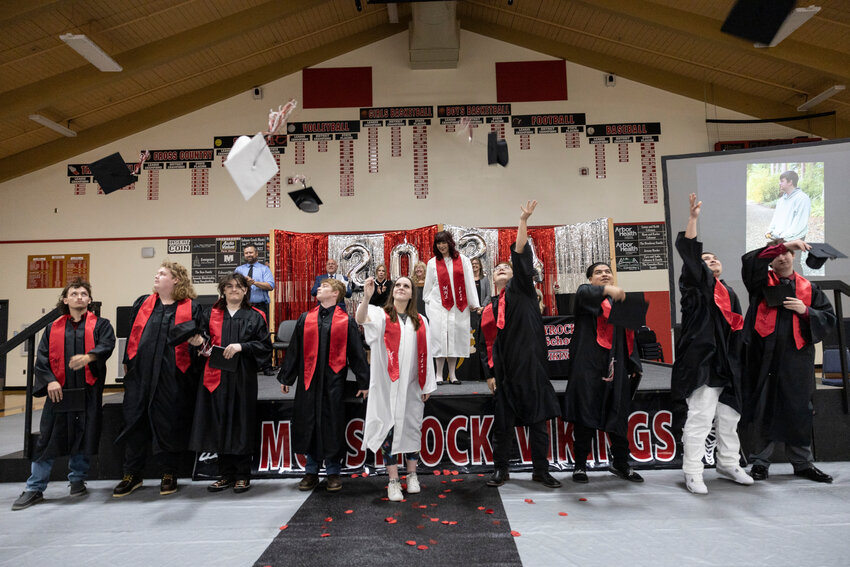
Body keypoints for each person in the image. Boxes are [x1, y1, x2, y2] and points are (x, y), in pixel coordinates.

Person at [672, 194, 752, 495]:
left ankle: (728, 463)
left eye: (714, 258)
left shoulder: (728, 291)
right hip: (702, 360)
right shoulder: (695, 286)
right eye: (706, 259)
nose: (711, 260)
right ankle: (692, 471)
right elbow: (691, 256)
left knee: (730, 416)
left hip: (727, 361)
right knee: (701, 417)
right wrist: (692, 220)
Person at [12, 280, 116, 511]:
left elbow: (107, 345)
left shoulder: (101, 325)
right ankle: (34, 487)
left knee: (83, 434)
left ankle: (77, 479)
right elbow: (41, 359)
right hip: (59, 393)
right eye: (74, 293)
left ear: (89, 300)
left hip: (87, 391)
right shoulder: (52, 328)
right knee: (47, 438)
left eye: (84, 293)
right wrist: (49, 381)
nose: (79, 297)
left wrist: (89, 357)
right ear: (65, 300)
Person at [479, 201, 562, 489]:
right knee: (502, 426)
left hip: (532, 367)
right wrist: (490, 373)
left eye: (507, 267)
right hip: (505, 373)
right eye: (498, 268)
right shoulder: (489, 307)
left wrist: (523, 222)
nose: (503, 269)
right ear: (493, 278)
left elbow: (520, 256)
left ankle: (541, 470)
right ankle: (500, 470)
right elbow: (483, 344)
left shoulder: (524, 290)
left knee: (538, 424)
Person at [741, 238, 836, 483]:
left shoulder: (809, 289)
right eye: (778, 254)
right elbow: (751, 261)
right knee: (764, 408)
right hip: (764, 358)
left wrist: (806, 312)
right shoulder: (760, 284)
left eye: (787, 254)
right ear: (770, 259)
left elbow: (828, 317)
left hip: (797, 359)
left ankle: (802, 463)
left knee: (798, 410)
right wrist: (787, 244)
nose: (782, 258)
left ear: (794, 258)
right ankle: (760, 463)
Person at [113, 261, 203, 497]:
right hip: (140, 375)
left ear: (176, 280)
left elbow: (198, 341)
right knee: (135, 422)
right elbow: (132, 333)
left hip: (171, 376)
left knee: (168, 423)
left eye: (162, 273)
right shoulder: (143, 303)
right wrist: (127, 362)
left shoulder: (190, 307)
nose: (157, 275)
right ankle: (132, 474)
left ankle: (169, 472)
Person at [278, 278, 369, 492]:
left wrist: (363, 381)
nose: (319, 288)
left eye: (324, 287)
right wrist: (287, 378)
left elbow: (357, 353)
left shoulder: (345, 321)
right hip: (308, 382)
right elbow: (294, 351)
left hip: (333, 383)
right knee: (309, 422)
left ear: (336, 294)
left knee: (331, 424)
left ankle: (333, 472)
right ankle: (311, 471)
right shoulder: (305, 318)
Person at [189, 273, 272, 494]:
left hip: (242, 377)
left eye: (239, 286)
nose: (234, 289)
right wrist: (199, 343)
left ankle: (243, 474)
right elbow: (203, 345)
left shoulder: (256, 316)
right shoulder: (210, 314)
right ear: (222, 290)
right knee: (219, 422)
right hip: (215, 377)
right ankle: (225, 474)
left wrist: (242, 347)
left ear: (246, 291)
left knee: (241, 422)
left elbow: (265, 346)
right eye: (229, 286)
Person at [356, 275, 436, 502]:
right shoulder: (382, 315)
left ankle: (412, 475)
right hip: (386, 384)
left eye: (406, 286)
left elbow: (427, 353)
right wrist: (367, 297)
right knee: (388, 429)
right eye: (398, 285)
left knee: (412, 427)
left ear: (412, 293)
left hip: (412, 384)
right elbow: (361, 319)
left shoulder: (420, 320)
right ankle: (393, 480)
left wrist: (427, 383)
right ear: (393, 292)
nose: (401, 288)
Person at [563, 262, 644, 484]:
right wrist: (608, 291)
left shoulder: (621, 303)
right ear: (590, 280)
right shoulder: (585, 297)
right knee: (585, 416)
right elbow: (582, 292)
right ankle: (580, 465)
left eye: (608, 272)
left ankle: (620, 463)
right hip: (588, 366)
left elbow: (630, 337)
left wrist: (634, 365)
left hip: (616, 365)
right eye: (598, 273)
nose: (604, 274)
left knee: (618, 417)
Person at [423, 232, 479, 384]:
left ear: (450, 243)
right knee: (439, 340)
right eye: (438, 243)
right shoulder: (432, 263)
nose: (441, 246)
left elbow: (469, 282)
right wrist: (430, 303)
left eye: (444, 242)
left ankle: (453, 375)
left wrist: (474, 302)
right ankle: (439, 375)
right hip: (438, 306)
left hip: (458, 306)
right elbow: (427, 288)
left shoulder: (463, 260)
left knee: (453, 339)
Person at [765, 170, 811, 242]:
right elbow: (776, 217)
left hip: (794, 240)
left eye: (782, 181)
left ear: (790, 182)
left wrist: (784, 237)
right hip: (780, 239)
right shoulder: (781, 200)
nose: (779, 183)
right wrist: (770, 230)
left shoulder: (802, 198)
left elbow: (800, 222)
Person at [234, 244, 275, 322]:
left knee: (261, 332)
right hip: (242, 307)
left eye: (251, 252)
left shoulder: (264, 269)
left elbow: (270, 286)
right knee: (242, 332)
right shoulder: (239, 270)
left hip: (260, 307)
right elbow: (234, 287)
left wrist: (254, 283)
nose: (248, 255)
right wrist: (244, 284)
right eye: (246, 253)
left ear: (256, 253)